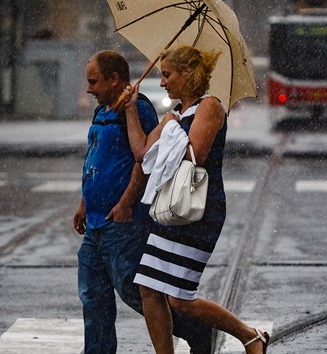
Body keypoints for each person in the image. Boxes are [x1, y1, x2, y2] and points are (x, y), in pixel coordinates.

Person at [122, 45, 270, 354]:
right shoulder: (174, 115)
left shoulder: (210, 106)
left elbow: (196, 155)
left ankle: (249, 335)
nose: (162, 83)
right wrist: (130, 110)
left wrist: (171, 128)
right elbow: (142, 154)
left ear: (187, 74)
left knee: (180, 298)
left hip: (198, 209)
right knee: (148, 287)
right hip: (169, 208)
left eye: (167, 75)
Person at [73, 50, 213, 354]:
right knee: (92, 296)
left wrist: (125, 203)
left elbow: (147, 161)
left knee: (135, 291)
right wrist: (84, 202)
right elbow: (94, 157)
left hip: (124, 220)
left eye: (93, 81)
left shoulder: (140, 110)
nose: (89, 88)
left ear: (114, 79)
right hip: (95, 221)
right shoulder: (102, 111)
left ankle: (195, 329)